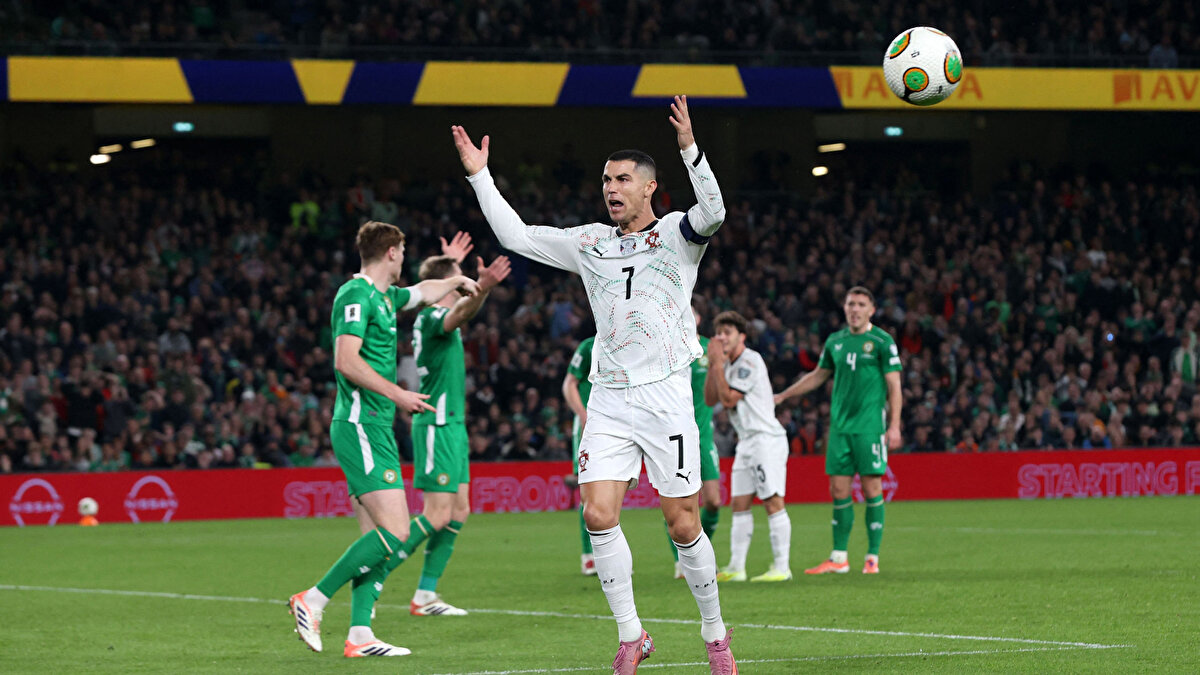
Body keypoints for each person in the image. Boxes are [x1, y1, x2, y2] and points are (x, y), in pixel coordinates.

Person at [453, 95, 736, 674]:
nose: (611, 188)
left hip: (666, 395)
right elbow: (516, 236)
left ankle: (715, 635)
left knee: (683, 523)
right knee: (598, 515)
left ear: (650, 188)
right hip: (608, 397)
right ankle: (632, 635)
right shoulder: (589, 242)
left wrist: (690, 148)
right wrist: (480, 176)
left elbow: (714, 211)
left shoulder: (678, 235)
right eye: (606, 180)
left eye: (622, 179)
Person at [289, 221, 480, 658]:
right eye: (403, 252)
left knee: (376, 537)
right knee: (396, 530)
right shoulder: (355, 294)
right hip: (360, 424)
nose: (405, 260)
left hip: (374, 426)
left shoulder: (385, 297)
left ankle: (360, 635)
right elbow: (345, 360)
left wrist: (457, 280)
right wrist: (398, 394)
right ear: (392, 251)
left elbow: (424, 291)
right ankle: (312, 599)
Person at [406, 236, 512, 615]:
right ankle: (374, 569)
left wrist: (447, 261)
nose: (463, 280)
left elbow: (450, 298)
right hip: (435, 425)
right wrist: (483, 287)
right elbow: (460, 313)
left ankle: (425, 595)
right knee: (435, 515)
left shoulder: (436, 314)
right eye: (458, 276)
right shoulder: (432, 318)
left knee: (458, 512)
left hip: (453, 425)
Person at [774, 287, 903, 575]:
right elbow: (818, 376)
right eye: (850, 304)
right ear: (845, 308)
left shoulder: (882, 341)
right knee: (838, 490)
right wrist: (784, 395)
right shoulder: (836, 341)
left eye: (861, 304)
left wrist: (894, 426)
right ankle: (839, 557)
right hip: (840, 429)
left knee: (871, 488)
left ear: (871, 310)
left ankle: (872, 558)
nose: (855, 309)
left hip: (869, 428)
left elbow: (894, 386)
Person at [704, 311, 792, 582]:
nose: (721, 337)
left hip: (765, 439)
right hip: (746, 442)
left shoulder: (750, 361)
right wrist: (713, 365)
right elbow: (709, 399)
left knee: (772, 500)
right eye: (718, 333)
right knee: (739, 503)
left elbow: (729, 400)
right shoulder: (726, 365)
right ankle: (737, 567)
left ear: (741, 336)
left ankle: (782, 568)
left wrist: (718, 365)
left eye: (727, 332)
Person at [668, 306, 723, 579]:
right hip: (674, 436)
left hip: (703, 434)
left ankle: (700, 551)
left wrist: (717, 364)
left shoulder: (709, 349)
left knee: (712, 501)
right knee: (677, 504)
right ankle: (684, 561)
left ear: (699, 318)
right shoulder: (666, 348)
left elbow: (718, 392)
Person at [563, 334, 599, 576]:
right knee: (589, 490)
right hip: (590, 426)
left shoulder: (625, 342)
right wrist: (583, 414)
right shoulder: (588, 347)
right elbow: (569, 383)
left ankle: (608, 554)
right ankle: (588, 556)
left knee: (613, 491)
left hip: (617, 426)